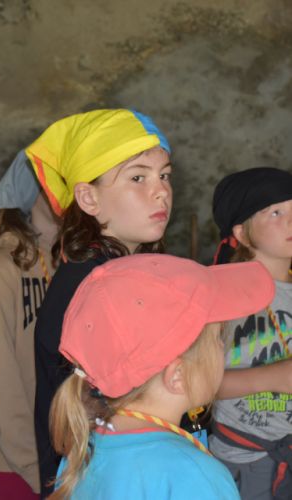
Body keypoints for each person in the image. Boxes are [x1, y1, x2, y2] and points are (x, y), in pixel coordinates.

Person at [24, 108, 173, 494]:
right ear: (89, 198)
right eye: (138, 177)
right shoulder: (95, 286)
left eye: (165, 175)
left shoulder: (119, 272)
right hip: (102, 478)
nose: (161, 191)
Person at [49, 253, 275, 499]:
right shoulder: (196, 476)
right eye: (217, 339)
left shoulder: (82, 450)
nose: (223, 347)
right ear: (178, 376)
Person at [0, 150, 59, 499]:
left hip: (63, 454)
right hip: (16, 463)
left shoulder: (71, 263)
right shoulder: (1, 267)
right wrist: (34, 464)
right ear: (31, 191)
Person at [210, 167, 292, 500]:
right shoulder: (221, 296)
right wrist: (272, 378)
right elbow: (193, 384)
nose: (291, 221)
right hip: (243, 459)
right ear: (242, 233)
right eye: (276, 212)